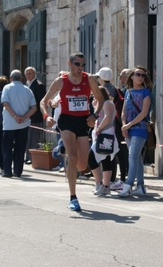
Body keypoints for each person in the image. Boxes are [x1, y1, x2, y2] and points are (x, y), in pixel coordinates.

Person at [40, 52, 104, 211]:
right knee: (73, 156)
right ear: (70, 63)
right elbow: (43, 101)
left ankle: (67, 154)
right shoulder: (60, 81)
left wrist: (94, 115)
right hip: (66, 119)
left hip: (82, 121)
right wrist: (47, 116)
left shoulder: (89, 79)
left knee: (82, 166)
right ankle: (73, 197)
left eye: (83, 65)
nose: (80, 68)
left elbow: (100, 98)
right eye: (77, 64)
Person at [118, 66, 153, 197]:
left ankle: (128, 185)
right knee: (137, 158)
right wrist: (123, 126)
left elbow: (144, 113)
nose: (140, 77)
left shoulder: (146, 93)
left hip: (140, 129)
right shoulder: (128, 92)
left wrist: (128, 125)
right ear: (131, 76)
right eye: (138, 74)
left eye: (143, 75)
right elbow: (123, 112)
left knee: (132, 157)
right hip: (128, 129)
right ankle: (141, 186)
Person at [1, 70, 37, 178]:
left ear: (10, 78)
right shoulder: (27, 90)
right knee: (20, 148)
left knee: (7, 147)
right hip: (23, 124)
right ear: (21, 78)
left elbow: (5, 104)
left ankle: (7, 170)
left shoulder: (6, 88)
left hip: (9, 124)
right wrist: (24, 117)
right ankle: (18, 171)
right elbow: (34, 108)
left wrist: (15, 116)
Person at [89, 86, 119, 195]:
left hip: (105, 134)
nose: (93, 97)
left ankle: (99, 183)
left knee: (91, 158)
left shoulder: (107, 103)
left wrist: (100, 128)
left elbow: (107, 117)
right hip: (102, 134)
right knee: (105, 160)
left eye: (94, 95)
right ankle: (106, 186)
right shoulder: (102, 104)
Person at [24, 67, 46, 164]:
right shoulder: (26, 85)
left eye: (30, 73)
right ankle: (27, 156)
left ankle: (32, 157)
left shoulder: (39, 85)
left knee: (34, 138)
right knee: (27, 138)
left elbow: (41, 101)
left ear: (34, 74)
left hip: (35, 116)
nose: (28, 75)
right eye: (27, 74)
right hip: (26, 116)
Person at [50, 70, 68, 172]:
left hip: (66, 122)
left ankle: (65, 165)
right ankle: (62, 164)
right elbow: (53, 103)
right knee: (60, 142)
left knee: (64, 144)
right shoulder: (58, 92)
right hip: (57, 122)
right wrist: (52, 102)